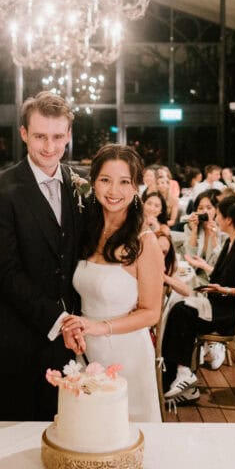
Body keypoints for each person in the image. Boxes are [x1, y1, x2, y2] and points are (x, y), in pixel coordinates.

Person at [0, 91, 84, 421]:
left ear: (68, 135)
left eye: (57, 137)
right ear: (24, 133)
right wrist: (59, 320)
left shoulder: (79, 183)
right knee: (12, 449)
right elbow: (6, 273)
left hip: (69, 343)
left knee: (65, 435)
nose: (49, 147)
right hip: (17, 341)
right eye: (39, 136)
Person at [61, 145, 165, 422]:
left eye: (124, 182)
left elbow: (151, 312)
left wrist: (100, 327)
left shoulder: (145, 242)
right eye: (105, 180)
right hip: (84, 348)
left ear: (136, 188)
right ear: (93, 182)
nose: (113, 191)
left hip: (127, 353)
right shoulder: (86, 232)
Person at [161, 195, 235, 402]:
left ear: (228, 220)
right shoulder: (232, 243)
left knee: (182, 311)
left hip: (234, 313)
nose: (214, 217)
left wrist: (224, 290)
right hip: (221, 303)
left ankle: (181, 375)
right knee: (179, 307)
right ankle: (180, 379)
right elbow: (221, 275)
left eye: (218, 214)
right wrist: (207, 270)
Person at [183, 190, 223, 264]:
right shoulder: (190, 227)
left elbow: (221, 263)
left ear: (216, 210)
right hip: (195, 272)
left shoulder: (223, 230)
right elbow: (190, 259)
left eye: (209, 208)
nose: (205, 211)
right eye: (200, 208)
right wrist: (194, 231)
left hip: (213, 273)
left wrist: (214, 237)